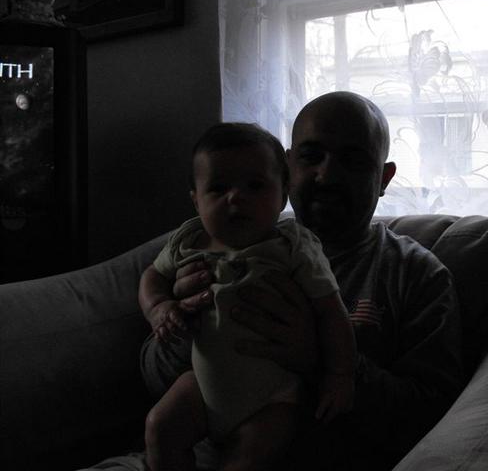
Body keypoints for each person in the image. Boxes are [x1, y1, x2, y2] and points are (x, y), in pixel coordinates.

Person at [140, 91, 464, 470]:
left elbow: (432, 418)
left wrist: (321, 357)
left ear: (384, 177)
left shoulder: (417, 276)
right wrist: (183, 320)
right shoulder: (213, 243)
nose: (327, 175)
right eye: (311, 157)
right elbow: (152, 378)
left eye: (353, 160)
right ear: (288, 166)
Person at [138, 122, 357, 471]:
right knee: (159, 427)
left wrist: (340, 374)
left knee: (247, 459)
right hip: (202, 383)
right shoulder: (190, 240)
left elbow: (332, 311)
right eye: (218, 188)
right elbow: (153, 276)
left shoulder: (293, 247)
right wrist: (159, 308)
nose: (236, 197)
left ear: (282, 195)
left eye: (255, 185)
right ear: (196, 200)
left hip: (273, 397)